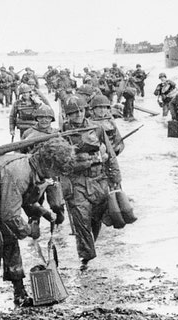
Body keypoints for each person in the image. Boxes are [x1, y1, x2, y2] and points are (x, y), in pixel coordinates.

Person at [0, 137, 75, 306]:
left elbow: (24, 200)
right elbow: (10, 215)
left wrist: (45, 213)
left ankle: (19, 294)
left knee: (11, 242)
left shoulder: (35, 169)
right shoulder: (19, 172)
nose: (57, 175)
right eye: (57, 170)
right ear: (49, 164)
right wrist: (29, 230)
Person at [60, 96, 121, 271]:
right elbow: (60, 162)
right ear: (67, 115)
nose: (78, 115)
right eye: (73, 113)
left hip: (99, 180)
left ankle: (89, 247)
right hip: (76, 182)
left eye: (80, 111)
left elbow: (110, 154)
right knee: (81, 219)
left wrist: (115, 178)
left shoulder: (97, 128)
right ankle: (86, 258)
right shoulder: (62, 133)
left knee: (96, 217)